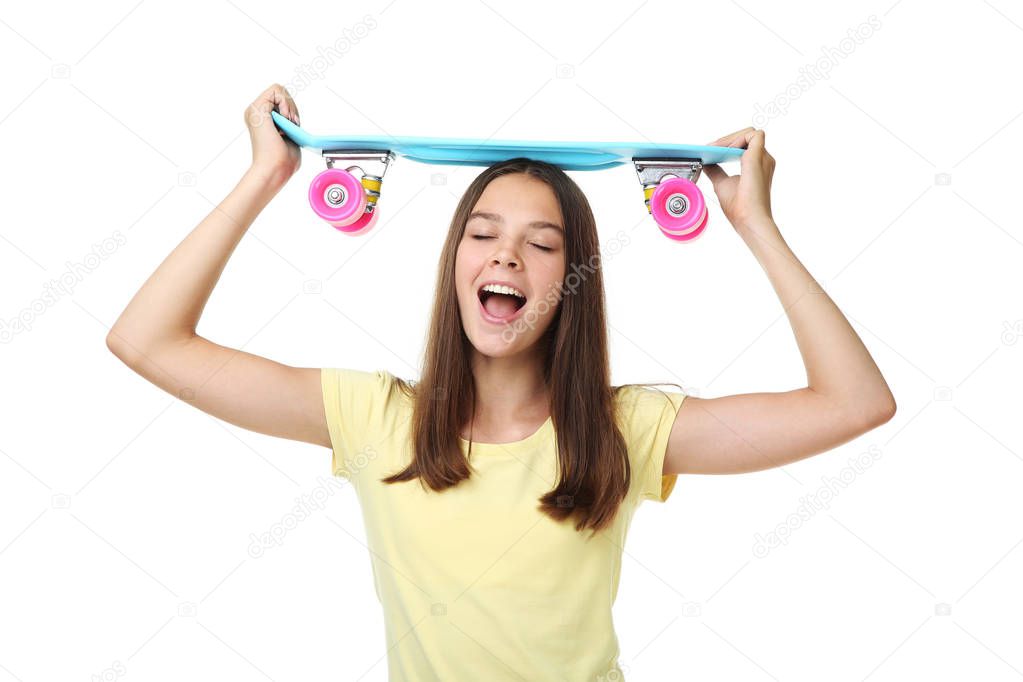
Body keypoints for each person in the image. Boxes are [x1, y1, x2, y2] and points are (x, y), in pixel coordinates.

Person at [106, 83, 896, 681]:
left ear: (572, 280)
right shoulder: (373, 417)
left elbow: (853, 403)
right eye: (482, 234)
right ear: (455, 263)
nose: (505, 257)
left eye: (541, 244)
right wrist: (264, 176)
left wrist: (755, 223)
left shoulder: (626, 432)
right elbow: (146, 341)